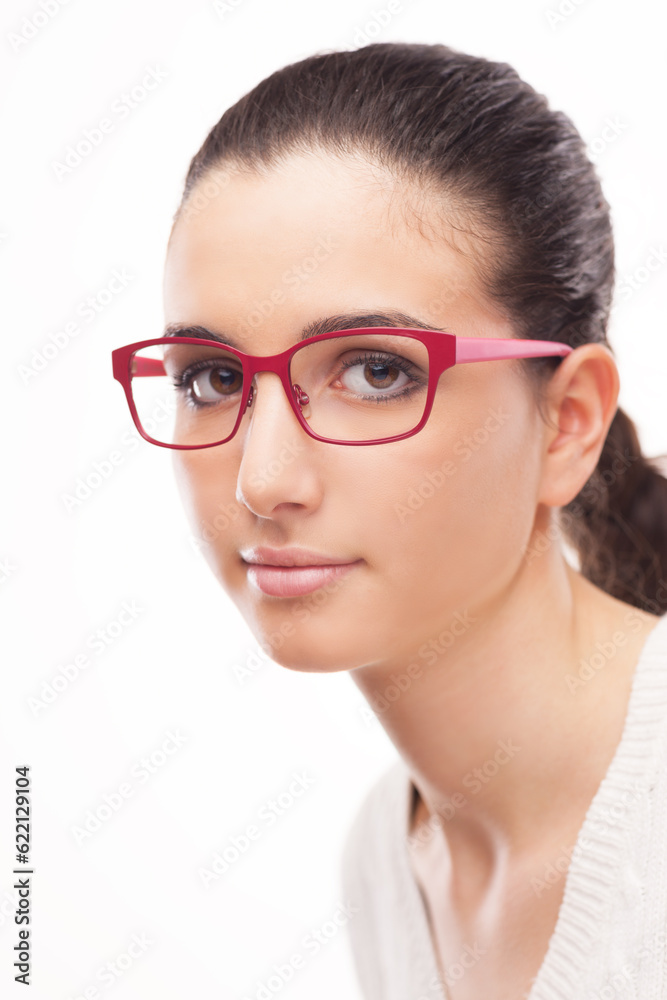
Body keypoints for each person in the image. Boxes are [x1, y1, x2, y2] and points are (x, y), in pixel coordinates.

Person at [111, 41, 667, 1000]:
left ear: (566, 422)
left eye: (375, 370)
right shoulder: (386, 856)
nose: (264, 478)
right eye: (213, 378)